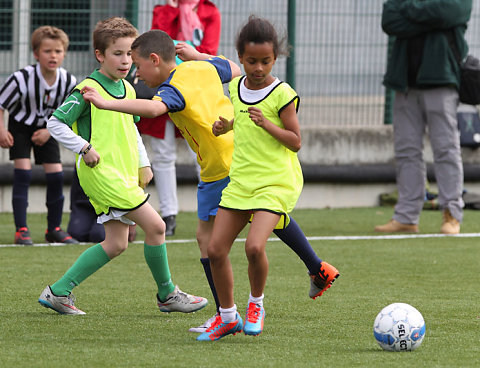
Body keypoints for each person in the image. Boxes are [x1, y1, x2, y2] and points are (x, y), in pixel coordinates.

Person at [80, 29, 339, 333]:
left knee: (210, 241)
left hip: (219, 165)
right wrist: (197, 54)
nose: (136, 73)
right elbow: (235, 68)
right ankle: (317, 267)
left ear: (154, 59)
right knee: (264, 214)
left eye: (138, 65)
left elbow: (152, 109)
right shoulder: (201, 67)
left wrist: (105, 102)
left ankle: (225, 313)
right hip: (238, 151)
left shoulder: (172, 89)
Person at [38, 17, 207, 315]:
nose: (126, 60)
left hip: (123, 174)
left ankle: (59, 291)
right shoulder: (88, 88)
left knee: (116, 244)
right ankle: (168, 295)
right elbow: (55, 123)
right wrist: (84, 147)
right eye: (118, 53)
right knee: (156, 227)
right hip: (102, 174)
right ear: (100, 55)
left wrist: (144, 164)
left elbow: (131, 130)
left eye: (130, 54)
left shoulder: (127, 89)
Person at [196, 15, 340, 341]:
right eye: (251, 61)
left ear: (275, 58)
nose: (258, 68)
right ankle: (228, 317)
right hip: (242, 179)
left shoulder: (282, 93)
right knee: (216, 249)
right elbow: (243, 118)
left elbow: (295, 140)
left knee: (253, 246)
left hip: (276, 181)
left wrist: (268, 125)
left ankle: (256, 305)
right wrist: (226, 126)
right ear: (241, 57)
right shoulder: (234, 87)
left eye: (265, 61)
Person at [375, 0, 471, 235]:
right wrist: (430, 20)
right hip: (405, 81)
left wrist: (410, 13)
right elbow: (390, 19)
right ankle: (407, 216)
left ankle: (451, 215)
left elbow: (451, 12)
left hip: (442, 79)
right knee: (407, 151)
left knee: (446, 149)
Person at [135, 0, 222, 236]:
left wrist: (183, 60)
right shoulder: (162, 10)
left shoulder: (209, 11)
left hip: (195, 88)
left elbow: (209, 51)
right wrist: (175, 10)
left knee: (205, 148)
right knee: (163, 154)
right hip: (166, 87)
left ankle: (219, 211)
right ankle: (168, 214)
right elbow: (157, 42)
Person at [0, 25, 78, 245]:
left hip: (49, 128)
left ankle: (54, 228)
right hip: (20, 127)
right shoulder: (21, 78)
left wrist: (49, 130)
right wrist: (2, 130)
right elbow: (1, 104)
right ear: (36, 54)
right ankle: (21, 230)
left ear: (64, 54)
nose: (53, 56)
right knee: (23, 173)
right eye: (47, 51)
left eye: (58, 51)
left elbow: (72, 111)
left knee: (56, 176)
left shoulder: (68, 81)